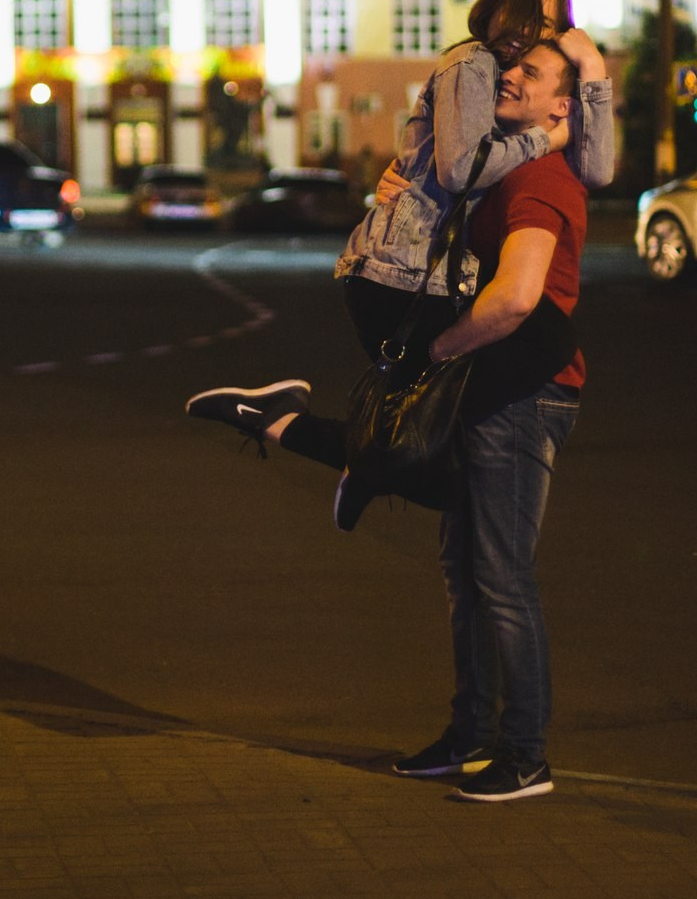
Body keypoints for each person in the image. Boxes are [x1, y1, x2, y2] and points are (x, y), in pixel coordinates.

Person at [190, 40, 593, 803]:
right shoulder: (499, 167)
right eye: (508, 68)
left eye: (531, 74)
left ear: (561, 108)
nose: (510, 77)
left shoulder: (539, 177)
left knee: (501, 578)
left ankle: (525, 754)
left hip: (523, 394)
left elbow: (513, 297)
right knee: (464, 573)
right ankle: (470, 736)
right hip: (490, 384)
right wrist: (401, 188)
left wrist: (433, 350)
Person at [186, 0, 611, 460]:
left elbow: (595, 170)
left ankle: (287, 426)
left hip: (420, 272)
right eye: (524, 11)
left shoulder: (504, 86)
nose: (529, 30)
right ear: (495, 6)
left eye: (547, 25)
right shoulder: (472, 62)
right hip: (402, 274)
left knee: (434, 454)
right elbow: (457, 170)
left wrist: (594, 68)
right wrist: (548, 137)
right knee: (544, 344)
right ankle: (304, 433)